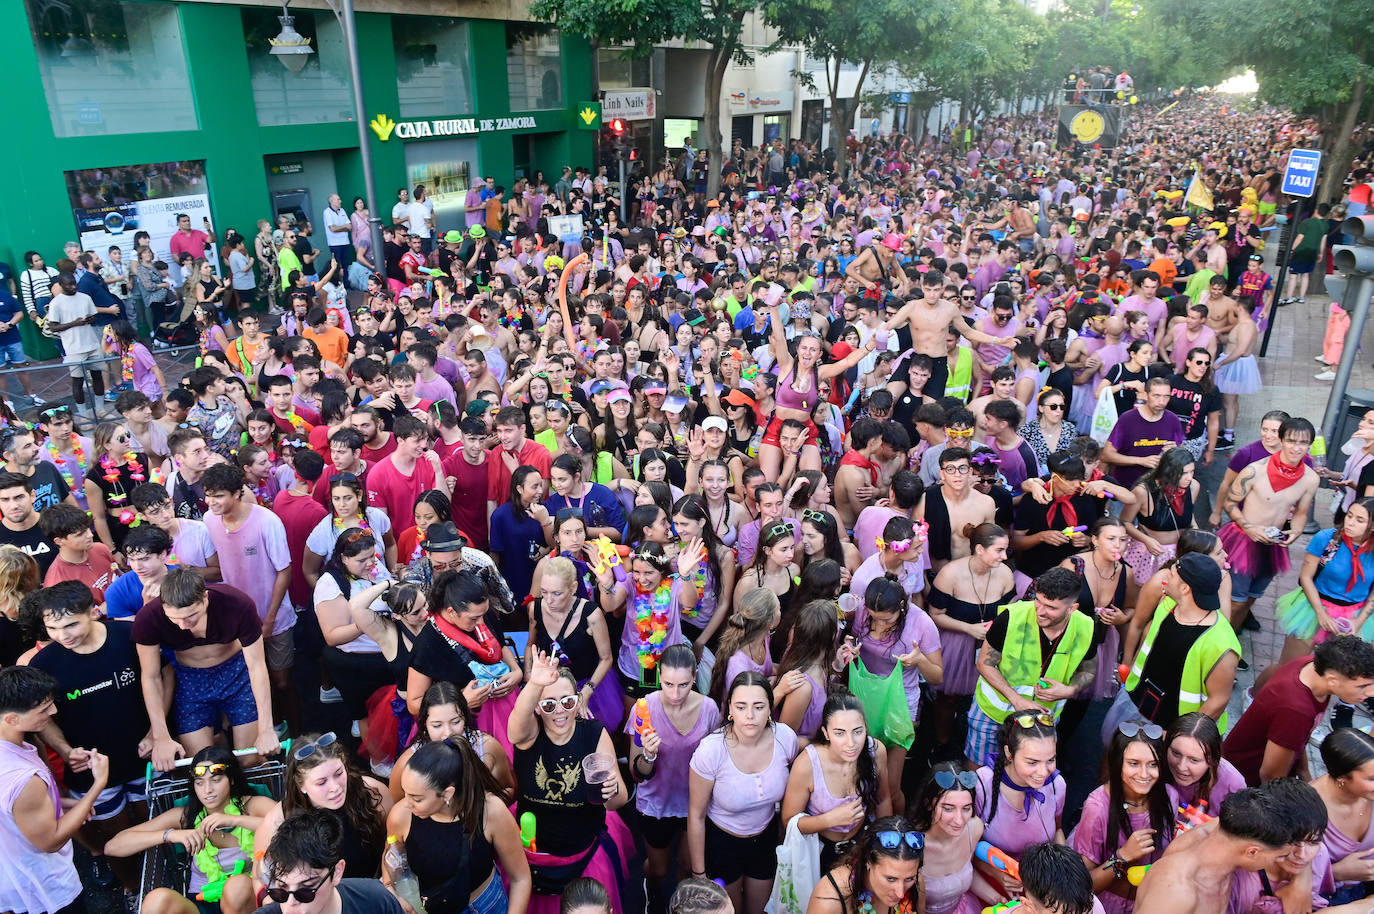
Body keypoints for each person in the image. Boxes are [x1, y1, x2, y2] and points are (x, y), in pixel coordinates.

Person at [22, 580, 151, 892]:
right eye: (52, 628)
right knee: (114, 838)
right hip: (91, 770)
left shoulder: (128, 637)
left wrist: (155, 733)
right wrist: (65, 750)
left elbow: (161, 676)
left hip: (144, 756)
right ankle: (132, 889)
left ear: (94, 612)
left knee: (155, 823)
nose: (62, 636)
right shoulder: (44, 664)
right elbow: (42, 718)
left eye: (70, 625)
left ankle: (172, 876)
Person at [510, 650, 632, 914]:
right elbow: (514, 728)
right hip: (535, 855)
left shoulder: (593, 733)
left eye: (566, 701)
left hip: (583, 854)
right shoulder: (530, 734)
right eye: (549, 704)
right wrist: (534, 684)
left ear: (577, 702)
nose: (559, 711)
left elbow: (618, 801)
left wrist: (611, 791)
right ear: (538, 708)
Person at [132, 567, 279, 771]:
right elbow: (151, 677)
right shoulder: (148, 618)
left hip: (236, 672)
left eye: (192, 615)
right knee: (203, 766)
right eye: (175, 619)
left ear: (206, 598)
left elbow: (256, 666)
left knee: (249, 759)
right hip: (191, 679)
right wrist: (160, 736)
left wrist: (266, 728)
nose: (184, 625)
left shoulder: (237, 604)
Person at [105, 746, 270, 914]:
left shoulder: (253, 806)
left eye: (216, 780)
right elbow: (113, 846)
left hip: (246, 900)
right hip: (201, 900)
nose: (207, 790)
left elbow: (291, 824)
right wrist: (170, 834)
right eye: (200, 783)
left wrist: (235, 819)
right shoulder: (185, 816)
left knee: (237, 885)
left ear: (232, 779)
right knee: (156, 899)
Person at [0, 664, 109, 914]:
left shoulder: (15, 744)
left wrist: (61, 803)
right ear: (12, 719)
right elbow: (50, 841)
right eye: (43, 709)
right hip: (42, 885)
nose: (54, 711)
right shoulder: (24, 778)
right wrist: (98, 784)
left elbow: (13, 811)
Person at [689, 670, 799, 914]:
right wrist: (699, 874)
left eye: (759, 707)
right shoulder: (711, 750)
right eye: (741, 707)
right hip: (722, 845)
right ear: (730, 709)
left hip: (765, 840)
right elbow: (695, 815)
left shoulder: (785, 738)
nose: (750, 716)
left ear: (770, 708)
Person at [624, 644, 721, 913]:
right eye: (668, 684)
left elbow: (717, 759)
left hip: (695, 805)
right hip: (656, 803)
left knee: (688, 867)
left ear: (695, 677)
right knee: (658, 868)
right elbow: (636, 773)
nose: (675, 694)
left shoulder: (710, 710)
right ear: (659, 677)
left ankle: (678, 906)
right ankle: (651, 889)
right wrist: (649, 756)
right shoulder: (643, 709)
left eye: (683, 685)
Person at [967, 567, 1095, 766]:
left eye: (1051, 607)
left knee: (1028, 773)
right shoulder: (1011, 617)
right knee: (979, 768)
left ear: (1072, 608)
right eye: (1038, 601)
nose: (1040, 611)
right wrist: (1016, 700)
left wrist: (1070, 690)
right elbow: (984, 663)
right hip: (992, 713)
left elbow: (1089, 670)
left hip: (1043, 718)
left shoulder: (1086, 627)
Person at [386, 738, 531, 914]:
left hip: (484, 907)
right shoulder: (400, 816)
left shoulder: (491, 812)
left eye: (417, 798)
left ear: (447, 793)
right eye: (405, 792)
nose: (407, 803)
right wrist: (391, 889)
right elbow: (391, 855)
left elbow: (520, 878)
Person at [1135, 782, 1324, 914]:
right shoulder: (1176, 890)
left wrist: (1302, 877)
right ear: (1252, 852)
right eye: (1280, 856)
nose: (1281, 861)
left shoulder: (1233, 827)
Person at [1114, 552, 1242, 731]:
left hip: (1174, 726)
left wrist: (1182, 737)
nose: (1165, 577)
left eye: (1171, 575)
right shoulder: (1168, 605)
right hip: (1137, 701)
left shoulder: (1221, 643)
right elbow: (1147, 643)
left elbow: (1218, 701)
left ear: (1185, 589)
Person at [1223, 634, 1374, 785]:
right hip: (1244, 781)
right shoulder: (1296, 711)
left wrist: (1304, 773)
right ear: (1332, 679)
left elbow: (1297, 738)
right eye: (1363, 686)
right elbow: (1270, 775)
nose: (1370, 693)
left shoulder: (1311, 666)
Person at [1218, 416, 1320, 632]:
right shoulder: (1255, 470)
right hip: (1241, 541)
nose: (1297, 447)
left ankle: (1232, 640)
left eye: (1303, 443)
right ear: (1281, 440)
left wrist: (1297, 531)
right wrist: (1248, 527)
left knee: (1251, 599)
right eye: (1292, 441)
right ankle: (1214, 645)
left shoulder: (1310, 478)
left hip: (1273, 544)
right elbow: (1230, 502)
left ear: (1310, 445)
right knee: (1234, 600)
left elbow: (1301, 512)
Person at [782, 690, 892, 871]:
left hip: (862, 844)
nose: (851, 743)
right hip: (817, 852)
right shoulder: (808, 764)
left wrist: (886, 846)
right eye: (840, 733)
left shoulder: (875, 752)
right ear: (825, 733)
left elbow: (883, 799)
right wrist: (830, 819)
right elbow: (789, 821)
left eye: (858, 731)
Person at [1070, 723, 1174, 914]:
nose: (1144, 774)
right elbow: (1083, 885)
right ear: (1117, 763)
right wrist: (1122, 857)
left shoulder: (1169, 797)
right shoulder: (1098, 807)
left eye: (1153, 764)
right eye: (1134, 763)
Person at [973, 712, 1066, 898]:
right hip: (988, 885)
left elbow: (1057, 830)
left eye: (1051, 760)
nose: (1043, 772)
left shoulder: (1057, 785)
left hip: (1040, 885)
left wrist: (1063, 866)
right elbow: (961, 846)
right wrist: (996, 873)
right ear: (1009, 753)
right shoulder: (982, 784)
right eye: (1032, 762)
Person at [252, 808, 404, 914]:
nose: (290, 904)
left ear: (337, 872)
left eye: (306, 891)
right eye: (281, 891)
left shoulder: (376, 901)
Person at [528, 555, 620, 728]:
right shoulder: (536, 609)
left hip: (587, 686)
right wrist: (529, 676)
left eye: (557, 593)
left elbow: (606, 658)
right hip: (549, 687)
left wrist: (587, 691)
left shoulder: (591, 614)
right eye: (544, 592)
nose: (549, 600)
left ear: (573, 588)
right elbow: (530, 646)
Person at [390, 681, 514, 802]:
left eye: (455, 722)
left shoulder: (487, 748)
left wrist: (483, 805)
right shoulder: (408, 763)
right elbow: (398, 808)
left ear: (465, 718)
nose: (448, 733)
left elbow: (508, 790)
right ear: (425, 725)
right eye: (437, 725)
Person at [804, 815, 925, 914]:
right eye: (891, 879)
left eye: (908, 879)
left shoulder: (916, 881)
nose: (900, 893)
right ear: (868, 861)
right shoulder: (830, 900)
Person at [1101, 378, 1185, 491]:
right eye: (1156, 396)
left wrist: (1175, 451)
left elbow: (1182, 452)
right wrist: (1141, 461)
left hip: (1157, 489)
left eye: (1166, 396)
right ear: (1145, 395)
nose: (1162, 401)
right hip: (1125, 488)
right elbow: (1106, 455)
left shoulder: (1173, 420)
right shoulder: (1127, 419)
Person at [1163, 712, 1247, 813]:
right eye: (1176, 753)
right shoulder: (1151, 762)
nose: (1181, 767)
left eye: (1194, 760)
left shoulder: (1232, 784)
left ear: (1213, 760)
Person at [2, 426, 74, 512]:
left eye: (34, 443)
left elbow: (70, 503)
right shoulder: (1, 482)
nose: (37, 448)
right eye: (27, 446)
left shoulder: (47, 467)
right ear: (9, 455)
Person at [0, 472, 58, 576]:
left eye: (19, 497)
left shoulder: (56, 524)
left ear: (32, 496)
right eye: (5, 500)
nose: (14, 506)